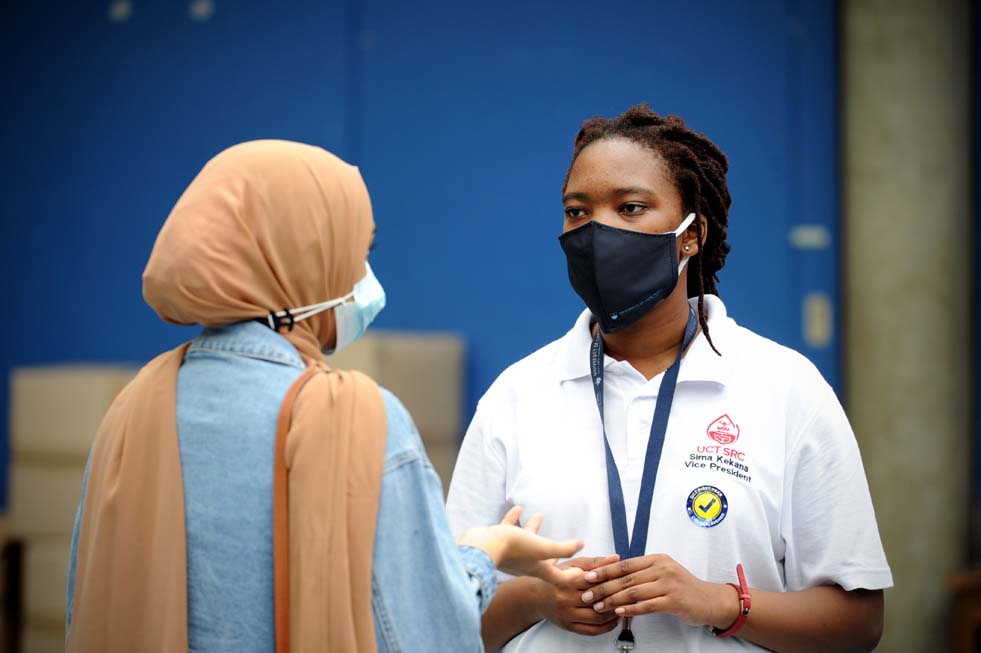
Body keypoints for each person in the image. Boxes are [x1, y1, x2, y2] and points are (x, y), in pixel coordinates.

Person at [65, 140, 583, 652]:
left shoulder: (133, 407)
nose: (364, 277)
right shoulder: (355, 418)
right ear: (304, 256)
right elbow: (428, 637)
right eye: (358, 252)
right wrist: (482, 552)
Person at [446, 105, 892, 653]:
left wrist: (721, 602)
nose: (597, 231)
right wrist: (536, 600)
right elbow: (442, 614)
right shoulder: (517, 395)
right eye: (576, 212)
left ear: (691, 235)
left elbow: (859, 623)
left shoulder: (786, 389)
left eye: (630, 207)